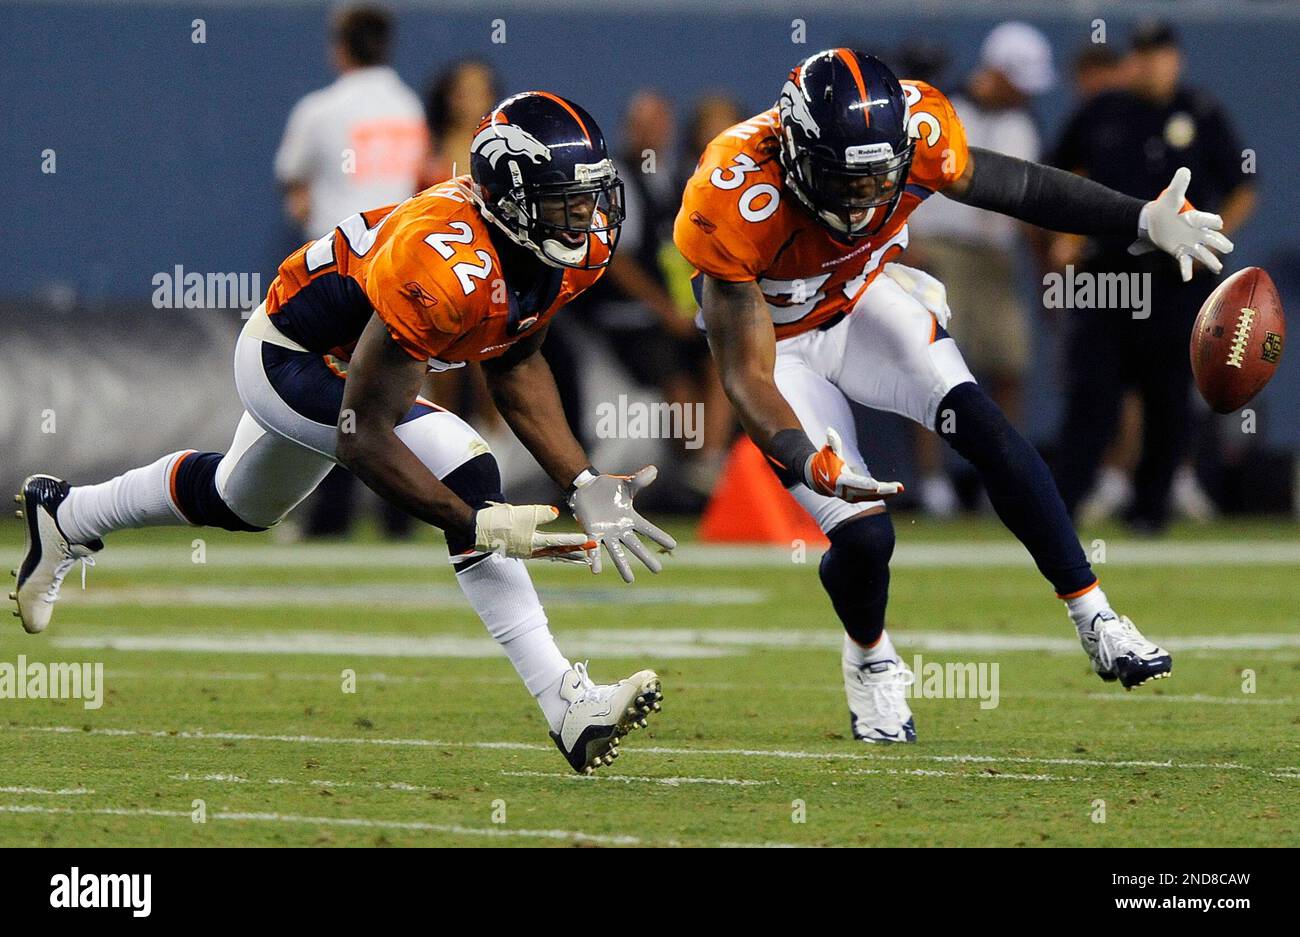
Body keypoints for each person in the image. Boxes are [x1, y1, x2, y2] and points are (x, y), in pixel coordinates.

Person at [13, 93, 676, 774]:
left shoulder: (566, 248)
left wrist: (582, 481)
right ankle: (565, 702)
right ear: (510, 197)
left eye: (590, 194)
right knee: (466, 467)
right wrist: (471, 521)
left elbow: (515, 358)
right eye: (565, 199)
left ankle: (67, 512)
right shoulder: (442, 262)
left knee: (240, 501)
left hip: (351, 367)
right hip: (291, 356)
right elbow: (365, 436)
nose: (587, 216)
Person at [674, 49, 1232, 742]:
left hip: (861, 300)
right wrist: (798, 453)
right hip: (778, 345)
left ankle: (1097, 616)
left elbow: (1016, 185)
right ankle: (871, 658)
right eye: (844, 181)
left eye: (879, 179)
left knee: (987, 429)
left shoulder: (922, 123)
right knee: (867, 535)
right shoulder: (727, 195)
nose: (864, 199)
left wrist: (1141, 219)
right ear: (794, 156)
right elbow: (746, 376)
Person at [1049, 21, 1256, 533]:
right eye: (1141, 54)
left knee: (1169, 396)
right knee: (1091, 392)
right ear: (1131, 60)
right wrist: (1067, 235)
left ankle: (1150, 510)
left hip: (1177, 280)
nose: (1149, 64)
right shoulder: (1103, 111)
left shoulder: (1202, 112)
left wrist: (1212, 237)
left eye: (1159, 54)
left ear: (1175, 58)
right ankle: (1058, 507)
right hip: (1109, 276)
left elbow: (1243, 183)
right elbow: (1060, 170)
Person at [275, 5, 428, 539]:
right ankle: (403, 516)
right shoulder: (409, 106)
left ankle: (326, 516)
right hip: (407, 269)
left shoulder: (321, 109)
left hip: (339, 273)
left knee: (331, 391)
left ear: (340, 46)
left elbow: (295, 190)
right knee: (395, 394)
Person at [908, 22, 1056, 516]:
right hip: (936, 251)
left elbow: (1031, 205)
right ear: (997, 72)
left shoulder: (1023, 124)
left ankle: (1004, 478)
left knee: (1008, 366)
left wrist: (1042, 274)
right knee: (931, 370)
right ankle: (932, 482)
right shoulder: (942, 110)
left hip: (995, 256)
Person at [578, 92, 730, 502]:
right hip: (627, 319)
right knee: (675, 379)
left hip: (676, 315)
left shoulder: (675, 178)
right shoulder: (616, 180)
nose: (651, 132)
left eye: (659, 122)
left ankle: (707, 467)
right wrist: (666, 311)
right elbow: (616, 260)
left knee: (725, 361)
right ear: (628, 128)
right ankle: (691, 472)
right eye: (642, 123)